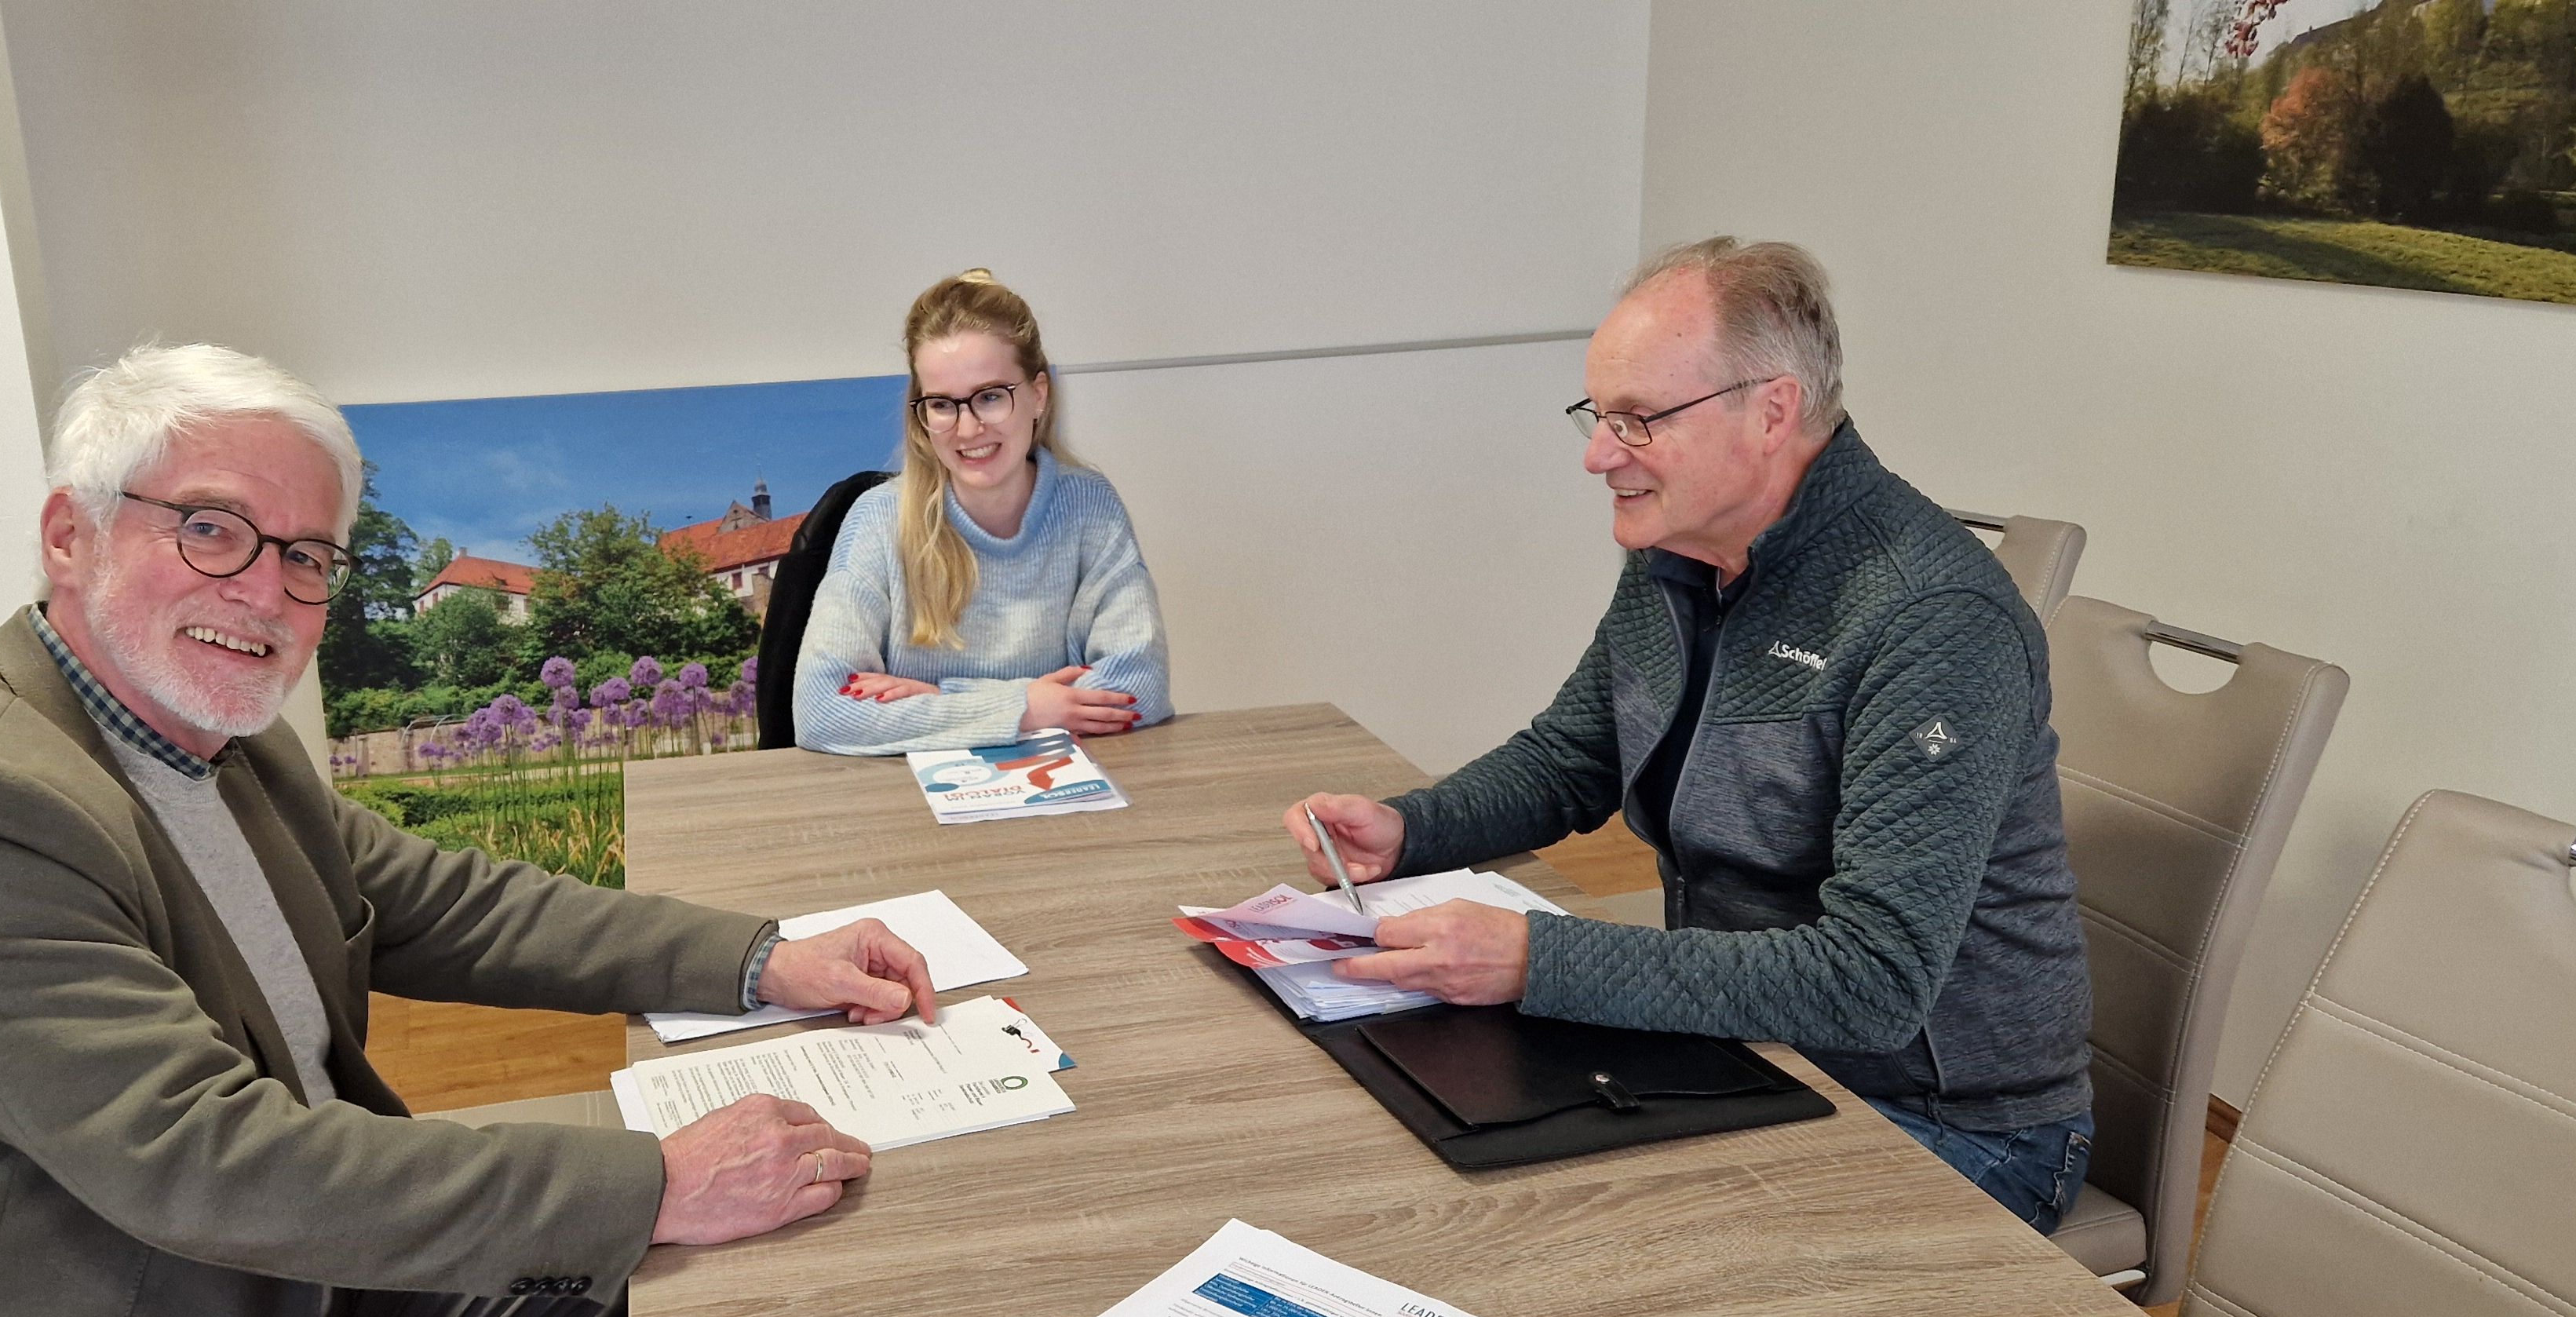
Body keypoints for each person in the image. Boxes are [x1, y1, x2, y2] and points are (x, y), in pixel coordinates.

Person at [0, 343, 937, 1317]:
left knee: (615, 1290)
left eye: (306, 556)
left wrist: (764, 959)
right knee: (630, 1229)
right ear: (69, 535)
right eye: (213, 529)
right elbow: (208, 1162)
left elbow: (450, 903)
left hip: (237, 1283)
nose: (266, 591)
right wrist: (661, 1182)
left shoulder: (212, 738)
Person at [1283, 239, 2094, 1232]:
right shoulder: (1683, 548)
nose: (1598, 454)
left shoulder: (1932, 618)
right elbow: (1575, 756)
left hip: (1947, 1125)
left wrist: (1539, 960)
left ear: (1773, 411)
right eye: (1597, 415)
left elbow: (1872, 984)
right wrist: (1410, 830)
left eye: (1637, 420)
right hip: (1750, 1052)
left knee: (1550, 1235)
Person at [791, 268, 1171, 754]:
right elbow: (821, 711)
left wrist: (944, 700)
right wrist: (1028, 707)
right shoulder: (877, 520)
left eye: (991, 396)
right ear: (921, 414)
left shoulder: (1089, 506)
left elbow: (1139, 689)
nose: (968, 429)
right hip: (908, 814)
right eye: (943, 405)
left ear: (1038, 395)